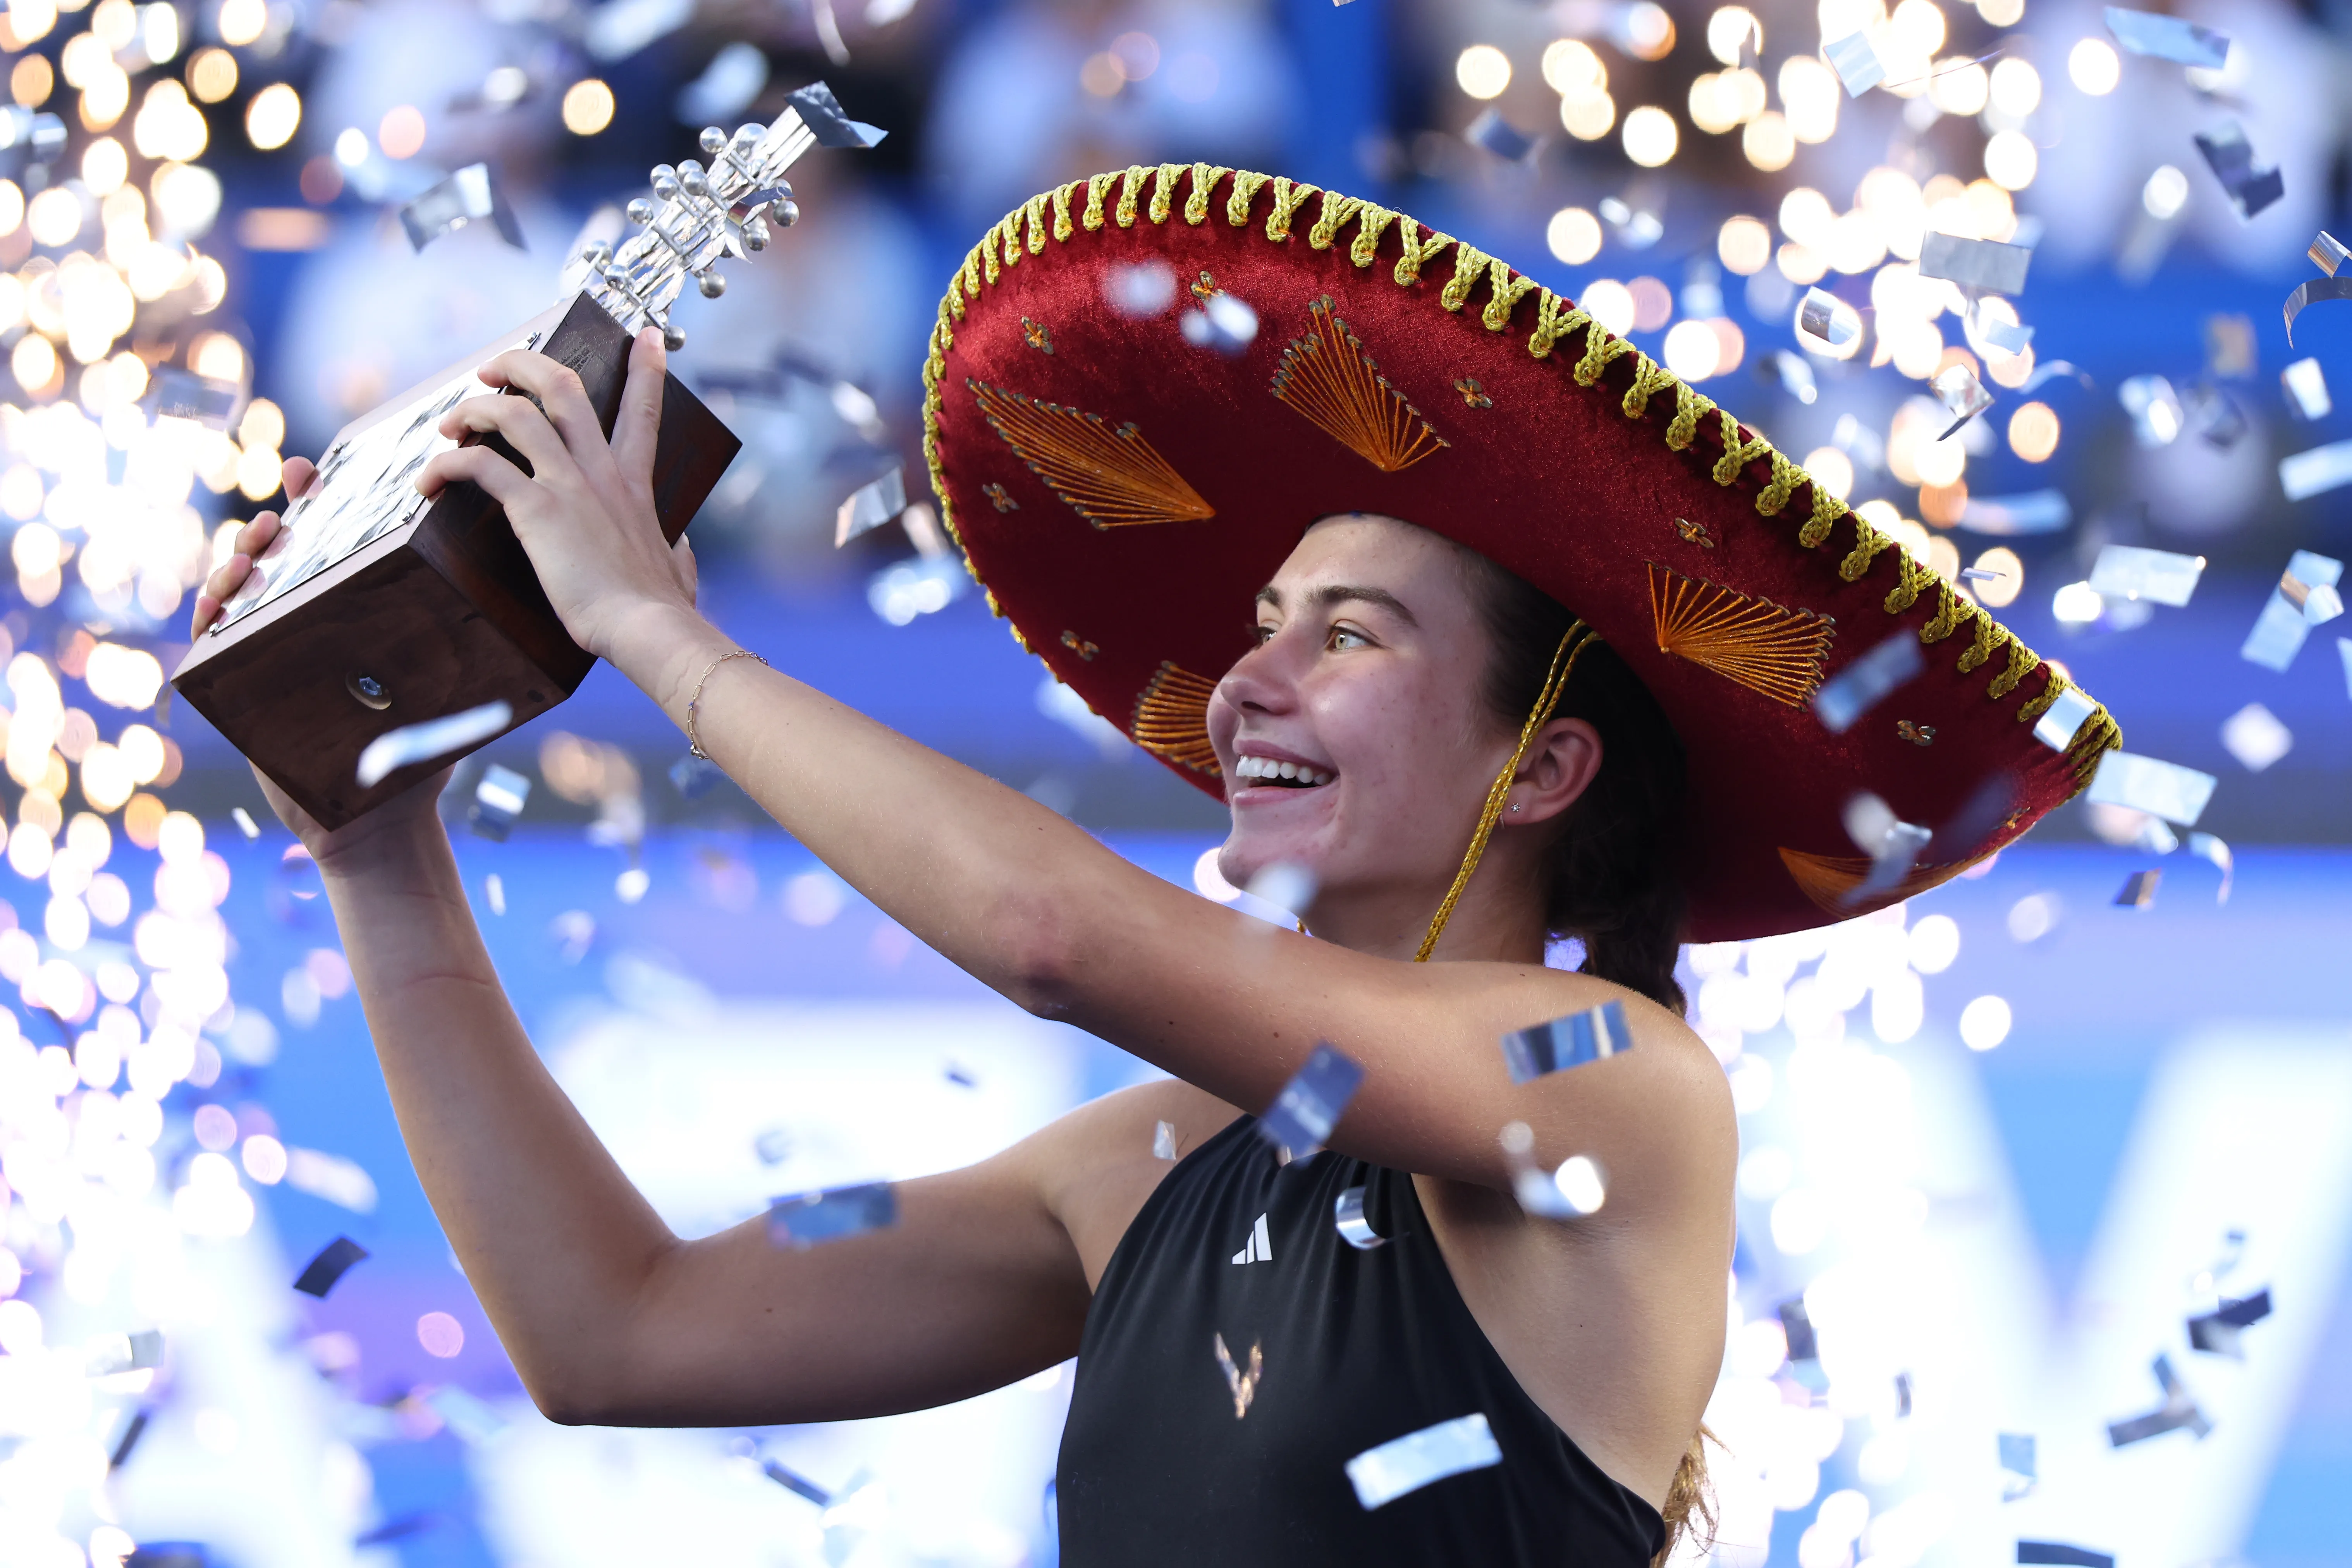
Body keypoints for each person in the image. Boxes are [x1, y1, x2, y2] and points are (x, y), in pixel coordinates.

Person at [194, 165, 2114, 1566]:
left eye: (1348, 635)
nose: (1246, 682)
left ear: (1545, 767)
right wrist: (380, 852)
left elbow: (1048, 931)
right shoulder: (1148, 1164)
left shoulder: (1616, 1088)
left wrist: (659, 633)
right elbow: (617, 1328)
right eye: (1265, 621)